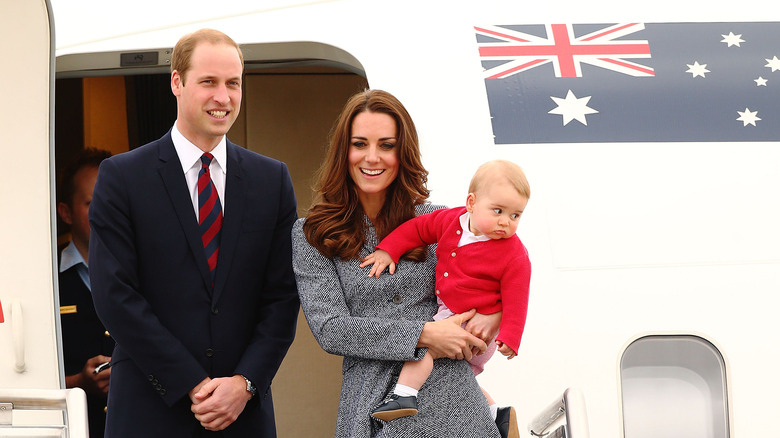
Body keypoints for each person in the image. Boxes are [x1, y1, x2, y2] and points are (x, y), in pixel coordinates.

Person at [88, 29, 300, 437]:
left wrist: (244, 384)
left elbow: (282, 298)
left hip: (243, 415)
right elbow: (115, 296)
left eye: (233, 83)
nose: (223, 97)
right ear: (177, 83)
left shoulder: (270, 179)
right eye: (209, 82)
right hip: (149, 414)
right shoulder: (122, 177)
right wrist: (193, 383)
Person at [292, 89, 507, 437]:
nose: (372, 157)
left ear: (402, 152)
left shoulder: (440, 220)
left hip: (452, 400)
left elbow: (492, 276)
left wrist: (493, 315)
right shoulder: (312, 233)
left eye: (387, 145)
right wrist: (424, 334)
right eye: (360, 144)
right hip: (370, 402)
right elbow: (330, 327)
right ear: (343, 151)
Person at [362, 159, 531, 438]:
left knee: (425, 346)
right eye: (498, 210)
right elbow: (416, 230)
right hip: (452, 311)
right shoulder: (448, 221)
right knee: (461, 376)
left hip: (472, 323)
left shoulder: (513, 253)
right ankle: (496, 415)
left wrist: (511, 337)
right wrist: (389, 250)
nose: (505, 222)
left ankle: (404, 395)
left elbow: (518, 297)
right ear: (471, 202)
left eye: (515, 215)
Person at [57, 147, 114, 438]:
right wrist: (78, 381)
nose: (105, 212)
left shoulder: (147, 272)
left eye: (113, 201)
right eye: (92, 203)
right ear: (65, 212)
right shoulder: (47, 278)